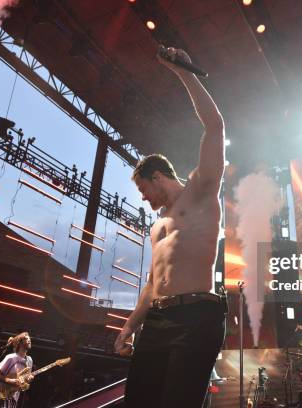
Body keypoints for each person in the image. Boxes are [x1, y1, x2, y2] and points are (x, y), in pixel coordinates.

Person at [114, 46, 226, 408]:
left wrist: (184, 72)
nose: (144, 199)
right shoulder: (158, 225)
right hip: (157, 322)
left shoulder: (201, 192)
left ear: (158, 176)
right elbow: (152, 281)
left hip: (197, 318)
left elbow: (215, 127)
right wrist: (131, 325)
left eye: (144, 189)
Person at [0, 332, 34, 408]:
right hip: (4, 395)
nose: (29, 340)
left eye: (29, 339)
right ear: (20, 343)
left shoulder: (29, 360)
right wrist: (9, 380)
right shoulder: (11, 357)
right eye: (26, 338)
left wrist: (29, 379)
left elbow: (24, 381)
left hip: (15, 397)